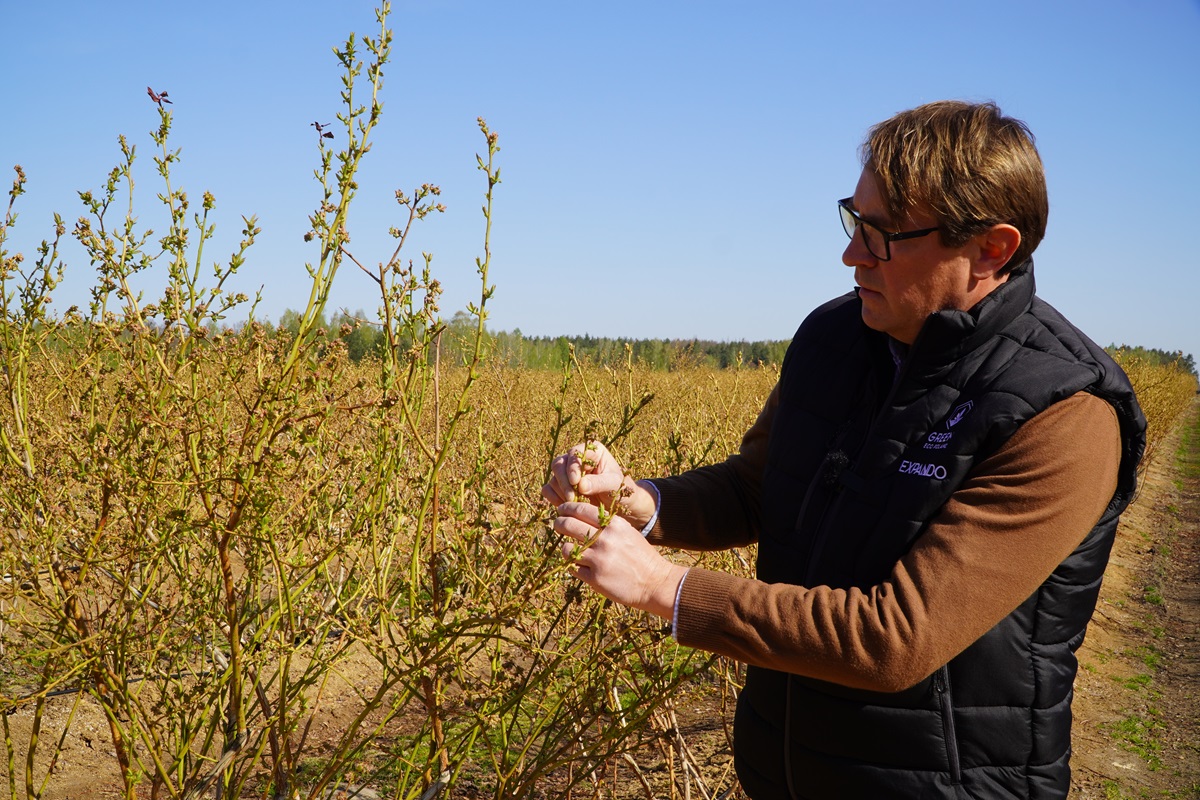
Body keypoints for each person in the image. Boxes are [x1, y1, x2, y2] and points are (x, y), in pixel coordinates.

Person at [541, 100, 1147, 800]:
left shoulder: (1064, 412)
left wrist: (663, 588)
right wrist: (637, 498)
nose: (852, 253)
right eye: (854, 221)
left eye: (885, 234)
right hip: (786, 770)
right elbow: (758, 490)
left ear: (992, 249)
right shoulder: (834, 339)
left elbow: (896, 638)